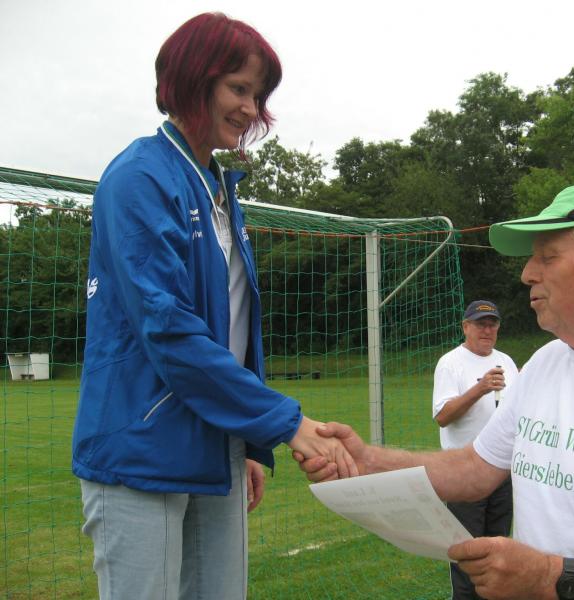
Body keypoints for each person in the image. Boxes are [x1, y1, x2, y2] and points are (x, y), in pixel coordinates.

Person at [296, 183, 574, 600]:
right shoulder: (545, 362)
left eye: (547, 257)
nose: (528, 274)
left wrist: (551, 576)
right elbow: (476, 468)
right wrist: (367, 461)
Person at [71, 13, 355, 600]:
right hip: (142, 448)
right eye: (238, 88)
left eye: (258, 95)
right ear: (191, 79)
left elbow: (233, 327)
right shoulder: (139, 178)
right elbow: (169, 329)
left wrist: (243, 439)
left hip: (216, 443)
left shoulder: (220, 187)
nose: (251, 109)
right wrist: (287, 423)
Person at [433, 299, 518, 600]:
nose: (487, 330)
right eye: (480, 324)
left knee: (497, 549)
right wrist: (479, 389)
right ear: (465, 327)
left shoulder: (507, 361)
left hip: (502, 471)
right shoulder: (451, 363)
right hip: (464, 473)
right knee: (467, 553)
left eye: (492, 324)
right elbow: (443, 417)